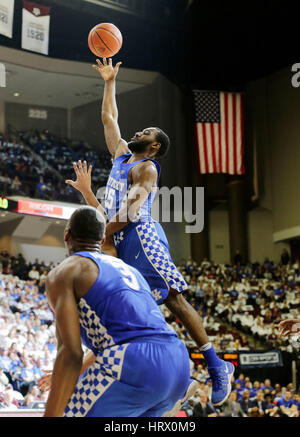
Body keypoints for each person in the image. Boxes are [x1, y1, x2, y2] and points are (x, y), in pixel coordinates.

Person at [65, 57, 234, 407]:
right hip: (118, 237)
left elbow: (129, 212)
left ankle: (217, 366)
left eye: (147, 134)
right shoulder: (122, 157)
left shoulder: (148, 169)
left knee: (173, 298)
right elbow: (109, 119)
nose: (139, 133)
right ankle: (174, 380)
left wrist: (104, 238)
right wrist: (110, 82)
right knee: (139, 313)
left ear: (155, 146)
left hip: (142, 237)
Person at [40, 206, 197, 417]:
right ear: (102, 240)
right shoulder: (130, 271)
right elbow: (119, 337)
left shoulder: (66, 271)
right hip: (177, 359)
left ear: (67, 234)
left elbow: (70, 353)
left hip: (133, 363)